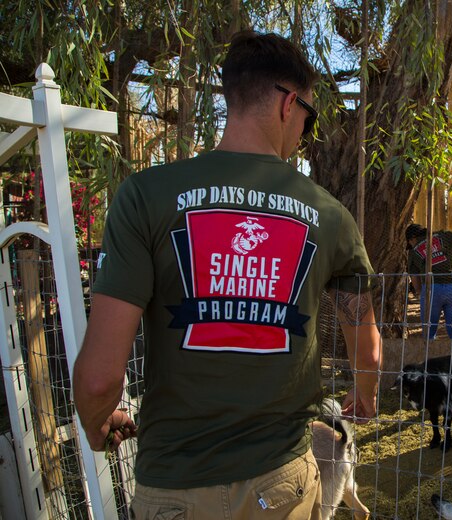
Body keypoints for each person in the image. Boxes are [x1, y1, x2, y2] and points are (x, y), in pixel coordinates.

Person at [73, 31, 382, 520]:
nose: (305, 129)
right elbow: (367, 350)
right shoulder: (330, 216)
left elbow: (96, 382)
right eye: (309, 115)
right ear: (287, 103)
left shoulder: (144, 196)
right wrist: (363, 395)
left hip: (173, 491)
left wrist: (96, 425)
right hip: (280, 487)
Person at [405, 223, 452, 340]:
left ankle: (430, 357)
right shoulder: (443, 235)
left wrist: (420, 294)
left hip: (432, 290)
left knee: (429, 334)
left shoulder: (413, 252)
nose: (410, 245)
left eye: (409, 242)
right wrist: (451, 240)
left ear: (413, 238)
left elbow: (415, 281)